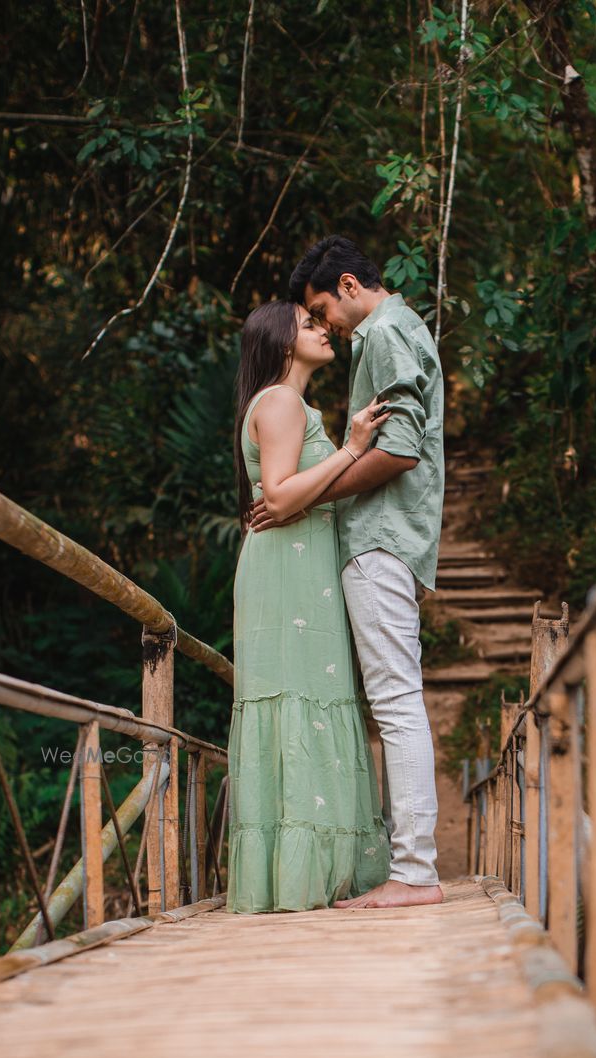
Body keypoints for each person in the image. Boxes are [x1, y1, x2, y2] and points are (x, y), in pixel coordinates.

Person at [251, 236, 444, 910]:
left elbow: (400, 451)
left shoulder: (383, 333)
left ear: (349, 286)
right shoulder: (400, 329)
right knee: (395, 699)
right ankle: (409, 867)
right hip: (388, 538)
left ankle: (415, 873)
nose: (325, 323)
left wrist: (308, 494)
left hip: (382, 538)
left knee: (395, 701)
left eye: (320, 308)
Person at [226, 298, 392, 912]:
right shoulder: (280, 402)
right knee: (300, 700)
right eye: (308, 323)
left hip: (300, 571)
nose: (323, 329)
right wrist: (352, 450)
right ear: (280, 342)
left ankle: (304, 872)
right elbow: (278, 492)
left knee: (314, 699)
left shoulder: (289, 405)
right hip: (285, 576)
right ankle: (296, 879)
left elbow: (288, 493)